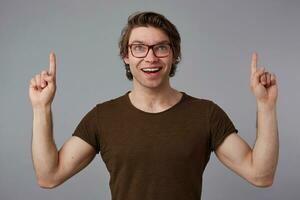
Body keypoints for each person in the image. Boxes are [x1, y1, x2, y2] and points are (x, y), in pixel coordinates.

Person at [29, 11, 279, 200]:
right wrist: (42, 108)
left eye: (160, 47)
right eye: (139, 48)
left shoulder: (206, 114)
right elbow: (49, 176)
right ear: (126, 56)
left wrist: (266, 106)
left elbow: (261, 175)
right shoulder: (102, 117)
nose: (150, 57)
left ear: (174, 54)